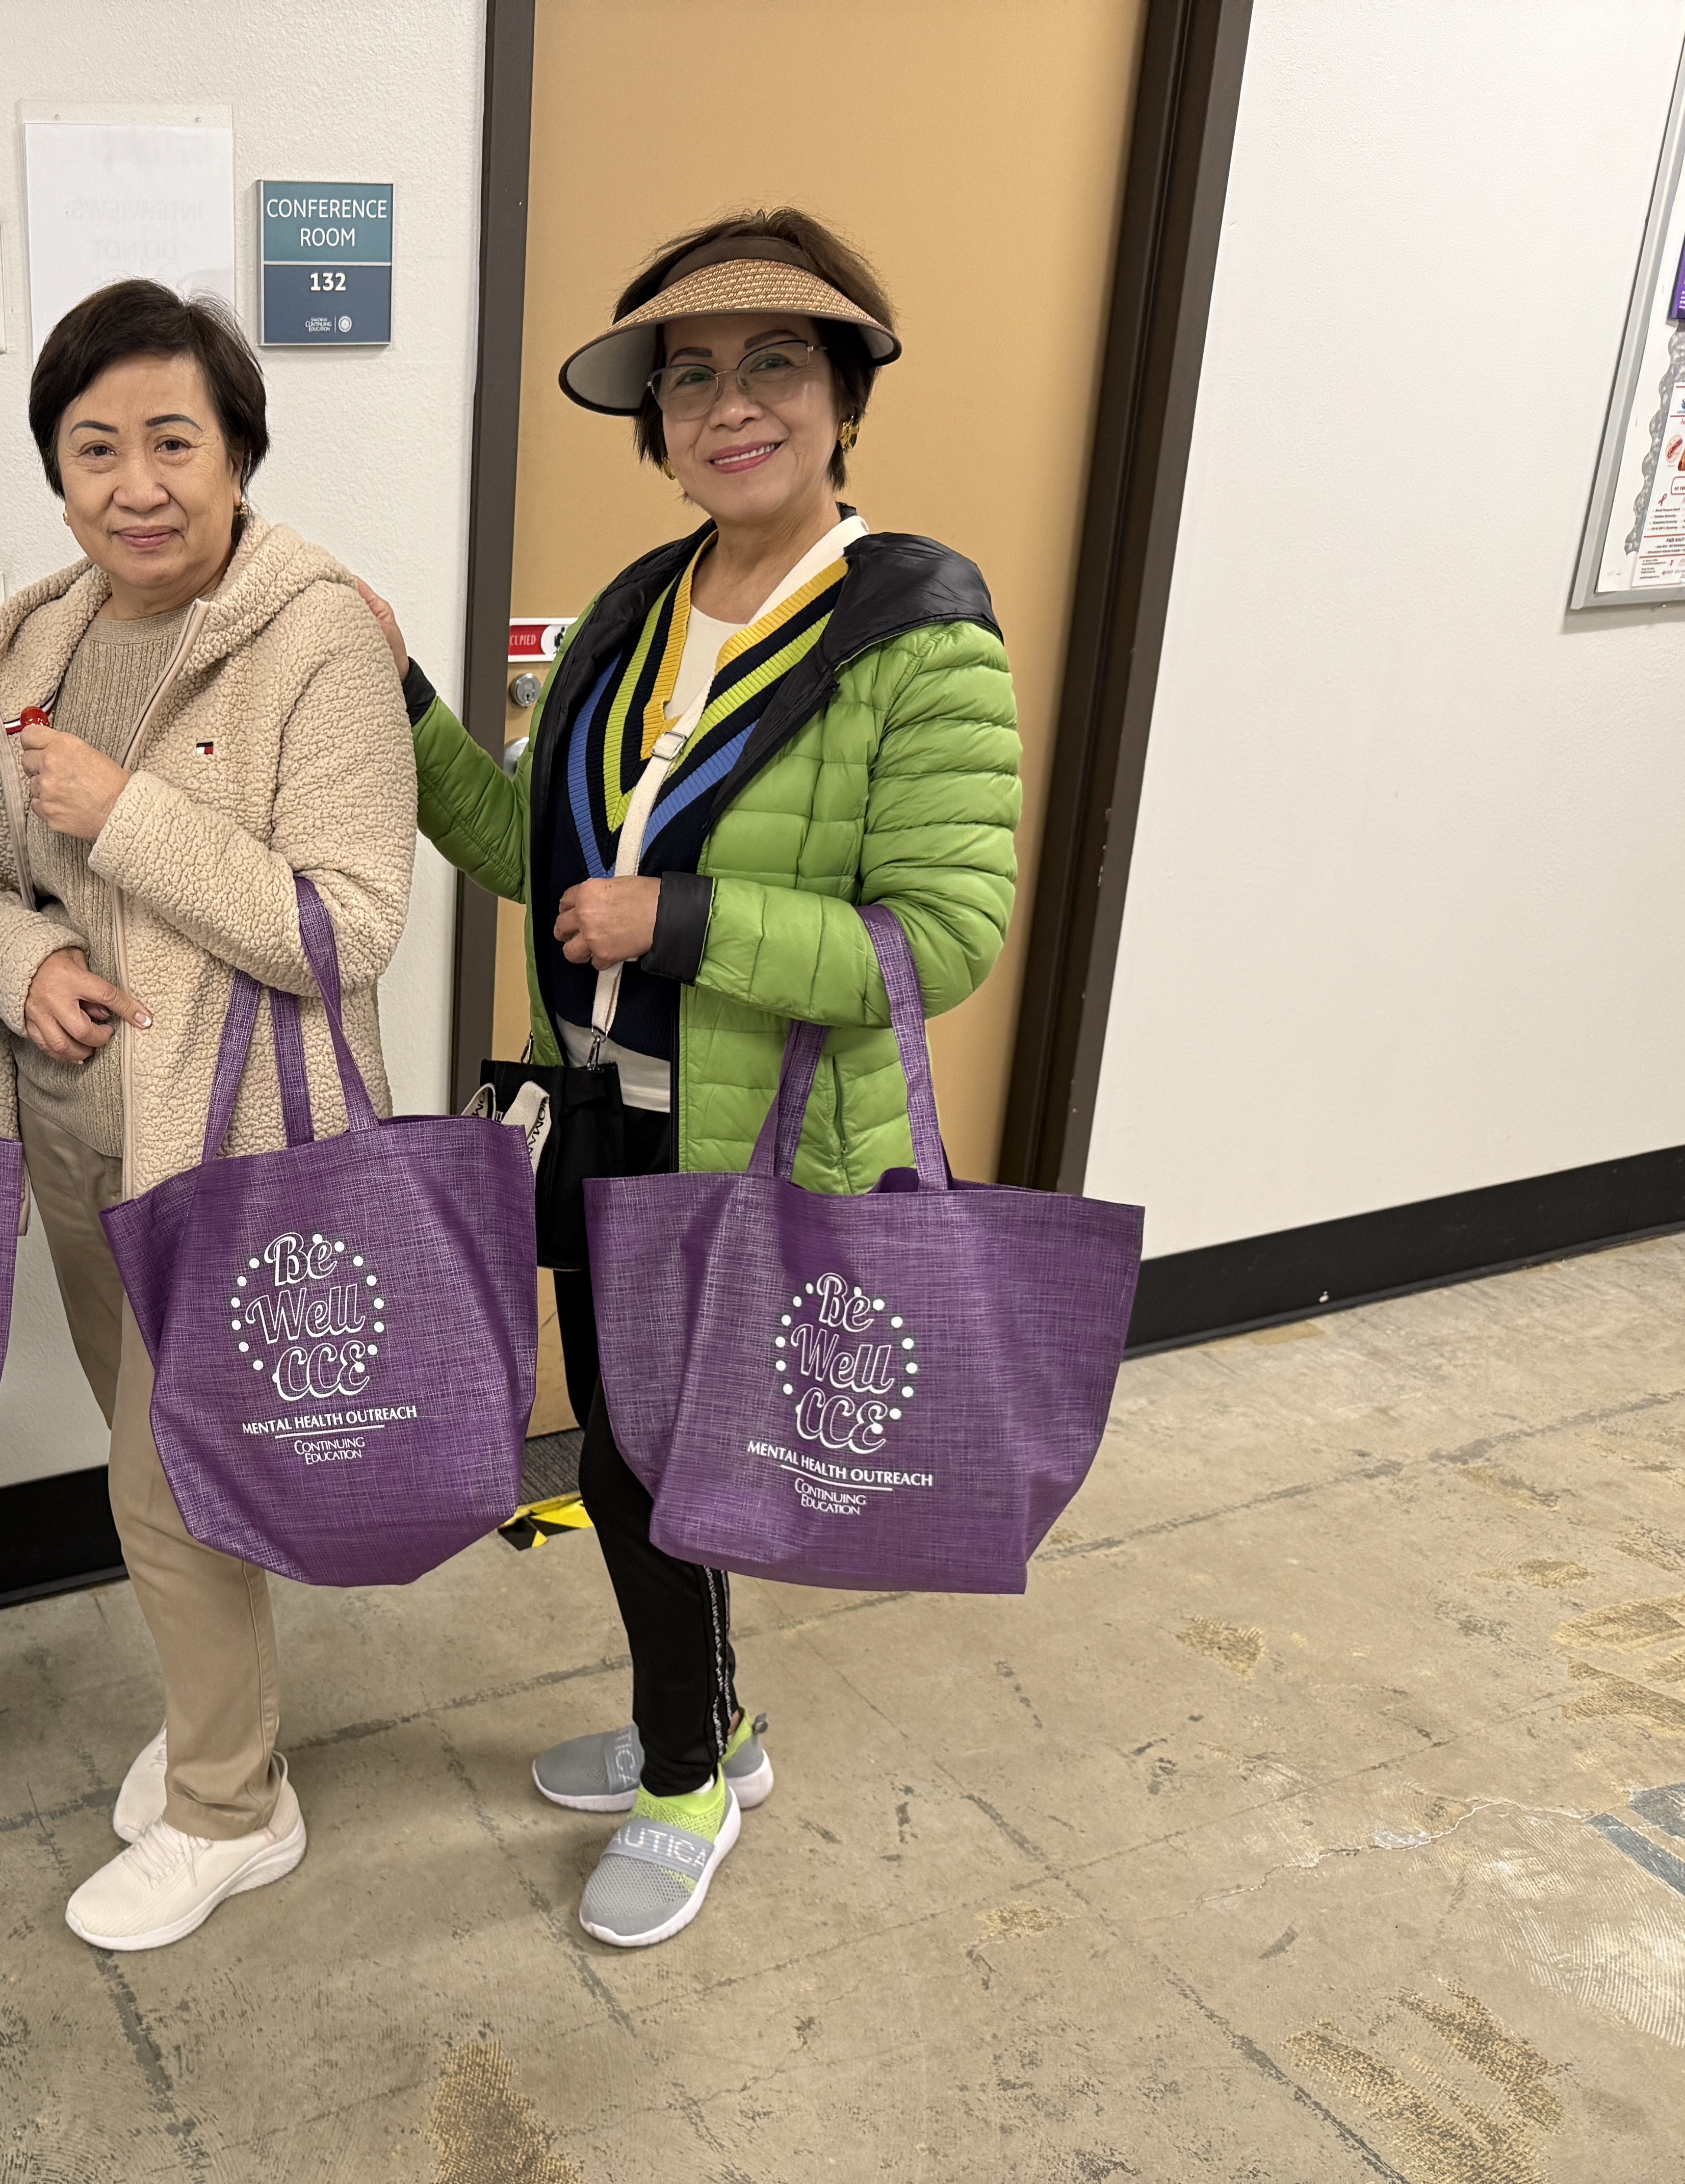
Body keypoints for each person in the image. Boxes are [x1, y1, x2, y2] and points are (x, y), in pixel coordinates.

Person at [361, 211, 1021, 1948]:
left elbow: (938, 937)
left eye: (775, 363)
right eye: (692, 376)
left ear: (846, 393)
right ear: (656, 422)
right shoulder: (639, 611)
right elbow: (530, 847)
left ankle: (686, 1779)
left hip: (757, 1135)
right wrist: (407, 699)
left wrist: (686, 919)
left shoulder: (922, 633)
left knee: (658, 1464)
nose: (732, 405)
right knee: (643, 1447)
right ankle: (706, 1720)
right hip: (601, 1119)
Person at [0, 279, 415, 1953]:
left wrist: (126, 814)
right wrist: (27, 958)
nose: (136, 483)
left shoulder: (321, 629)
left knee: (168, 1483)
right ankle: (222, 1730)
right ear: (58, 471)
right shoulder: (37, 637)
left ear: (239, 454)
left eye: (173, 442)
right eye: (95, 446)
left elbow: (346, 924)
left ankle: (231, 1802)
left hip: (240, 1143)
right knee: (169, 1468)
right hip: (70, 1128)